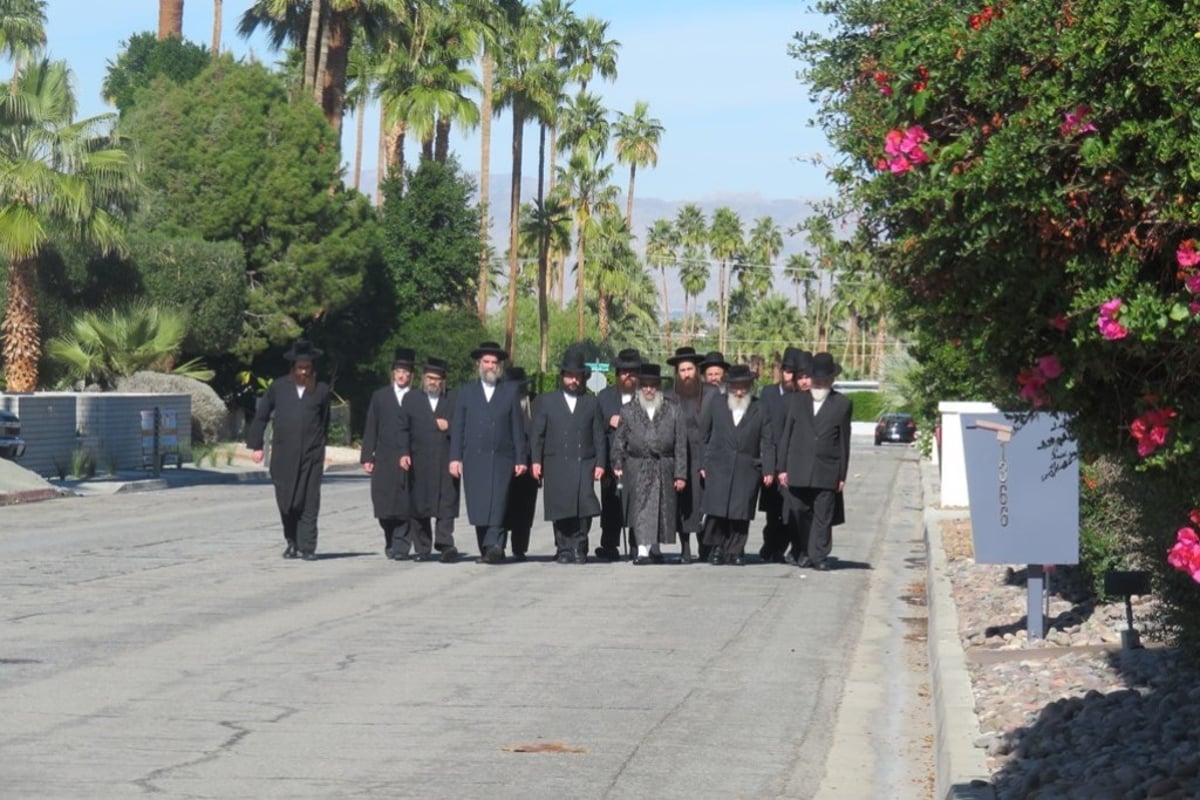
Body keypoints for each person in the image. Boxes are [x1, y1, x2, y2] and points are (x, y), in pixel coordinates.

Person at [246, 339, 332, 561]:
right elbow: (262, 415)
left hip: (311, 456)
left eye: (307, 369)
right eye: (300, 368)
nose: (303, 372)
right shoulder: (279, 387)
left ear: (313, 369)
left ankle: (308, 547)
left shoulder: (321, 390)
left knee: (310, 501)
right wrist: (256, 445)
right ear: (293, 369)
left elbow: (324, 422)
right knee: (287, 502)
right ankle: (291, 541)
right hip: (284, 455)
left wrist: (322, 449)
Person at [449, 341, 528, 564]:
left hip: (502, 457)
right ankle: (487, 546)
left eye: (494, 362)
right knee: (480, 504)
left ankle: (495, 545)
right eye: (486, 362)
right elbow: (458, 427)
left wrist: (521, 457)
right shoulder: (466, 392)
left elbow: (517, 426)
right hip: (474, 457)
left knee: (499, 502)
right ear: (479, 364)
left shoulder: (509, 390)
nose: (490, 366)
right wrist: (455, 458)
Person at [777, 352, 852, 571]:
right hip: (797, 468)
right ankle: (806, 549)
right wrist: (782, 467)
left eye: (824, 380)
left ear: (831, 381)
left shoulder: (842, 404)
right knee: (799, 511)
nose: (819, 384)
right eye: (816, 380)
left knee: (823, 515)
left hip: (827, 469)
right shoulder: (796, 401)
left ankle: (819, 555)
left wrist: (842, 475)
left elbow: (844, 442)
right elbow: (787, 435)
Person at [531, 352, 606, 564]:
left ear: (583, 378)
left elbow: (599, 436)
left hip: (584, 461)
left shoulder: (591, 402)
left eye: (578, 376)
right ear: (562, 376)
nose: (574, 380)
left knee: (585, 506)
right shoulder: (546, 401)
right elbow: (538, 433)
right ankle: (563, 548)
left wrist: (600, 463)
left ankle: (580, 546)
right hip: (556, 462)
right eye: (570, 376)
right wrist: (536, 461)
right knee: (560, 506)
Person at [698, 365, 775, 565]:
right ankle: (717, 549)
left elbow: (767, 441)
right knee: (718, 511)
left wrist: (768, 468)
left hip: (747, 466)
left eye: (744, 387)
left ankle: (736, 550)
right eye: (736, 387)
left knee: (740, 512)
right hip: (718, 465)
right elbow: (704, 435)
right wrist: (703, 463)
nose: (740, 391)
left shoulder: (761, 407)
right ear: (729, 386)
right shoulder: (716, 403)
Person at [612, 363, 687, 565]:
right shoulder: (628, 410)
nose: (648, 389)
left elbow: (680, 443)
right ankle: (643, 551)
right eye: (644, 385)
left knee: (662, 507)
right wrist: (617, 462)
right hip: (638, 464)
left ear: (658, 387)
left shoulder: (673, 409)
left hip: (665, 465)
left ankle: (655, 548)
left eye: (652, 385)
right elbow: (620, 440)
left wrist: (680, 474)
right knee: (642, 507)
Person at [664, 345, 719, 563]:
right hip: (677, 456)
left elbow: (717, 427)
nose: (686, 374)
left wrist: (710, 459)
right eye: (682, 370)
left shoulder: (712, 394)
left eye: (690, 369)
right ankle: (685, 548)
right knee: (682, 504)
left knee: (704, 503)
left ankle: (706, 545)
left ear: (697, 370)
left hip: (703, 454)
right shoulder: (669, 395)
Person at [359, 347, 415, 559]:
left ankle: (402, 545)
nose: (402, 375)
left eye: (406, 372)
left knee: (405, 502)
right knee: (383, 504)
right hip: (383, 457)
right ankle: (390, 536)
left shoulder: (417, 397)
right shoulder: (380, 397)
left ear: (411, 375)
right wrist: (367, 457)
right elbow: (371, 426)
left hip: (409, 458)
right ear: (393, 373)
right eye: (398, 371)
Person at [403, 356, 460, 563]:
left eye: (437, 379)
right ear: (423, 378)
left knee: (446, 504)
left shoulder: (453, 399)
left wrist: (450, 426)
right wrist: (403, 453)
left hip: (446, 459)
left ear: (443, 381)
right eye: (429, 378)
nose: (433, 382)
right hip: (419, 460)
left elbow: (463, 428)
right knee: (419, 504)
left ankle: (445, 544)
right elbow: (402, 429)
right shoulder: (411, 399)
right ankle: (422, 548)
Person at [757, 347, 808, 563]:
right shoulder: (768, 393)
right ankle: (771, 546)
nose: (789, 377)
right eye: (786, 371)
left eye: (793, 373)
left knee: (791, 511)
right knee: (772, 511)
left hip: (793, 463)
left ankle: (790, 547)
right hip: (771, 460)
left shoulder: (802, 398)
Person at [595, 348, 641, 561]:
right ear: (617, 374)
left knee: (636, 503)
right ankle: (609, 544)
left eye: (632, 373)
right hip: (611, 461)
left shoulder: (645, 397)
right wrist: (608, 421)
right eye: (624, 372)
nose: (628, 377)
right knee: (611, 503)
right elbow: (594, 428)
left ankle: (636, 544)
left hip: (637, 460)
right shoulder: (604, 397)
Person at [502, 366, 539, 561]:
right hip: (504, 465)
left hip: (529, 464)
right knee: (501, 507)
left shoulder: (535, 404)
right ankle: (497, 545)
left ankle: (519, 547)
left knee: (524, 510)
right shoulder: (500, 404)